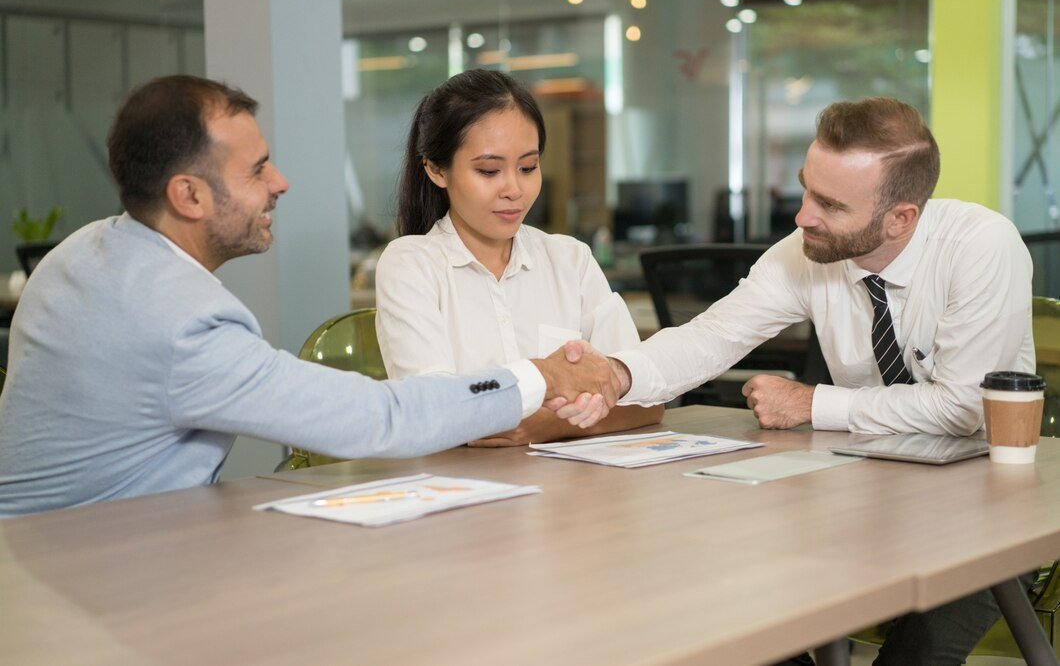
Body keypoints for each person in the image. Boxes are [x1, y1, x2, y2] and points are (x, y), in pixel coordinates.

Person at [0, 75, 618, 518]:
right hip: (83, 575)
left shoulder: (78, 255)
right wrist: (540, 378)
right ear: (188, 196)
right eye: (257, 170)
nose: (281, 183)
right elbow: (378, 421)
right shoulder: (182, 325)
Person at [597, 97, 1035, 665]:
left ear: (900, 217)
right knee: (737, 603)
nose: (803, 215)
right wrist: (616, 373)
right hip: (864, 491)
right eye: (806, 189)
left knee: (916, 655)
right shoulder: (804, 252)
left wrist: (812, 403)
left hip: (987, 506)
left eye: (829, 203)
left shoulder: (980, 245)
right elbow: (710, 338)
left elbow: (962, 411)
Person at [375, 69, 663, 446]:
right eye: (489, 171)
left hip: (576, 492)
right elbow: (437, 412)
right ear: (435, 169)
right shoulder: (411, 265)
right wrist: (560, 398)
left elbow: (647, 401)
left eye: (528, 167)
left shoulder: (570, 260)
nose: (514, 189)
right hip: (468, 492)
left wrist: (539, 425)